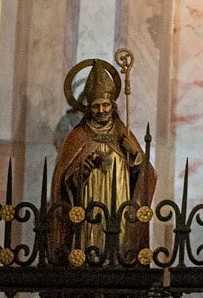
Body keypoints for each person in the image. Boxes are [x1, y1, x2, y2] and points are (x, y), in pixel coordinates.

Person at [48, 60, 156, 261]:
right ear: (88, 108)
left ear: (113, 106)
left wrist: (136, 155)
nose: (101, 110)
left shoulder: (123, 133)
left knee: (117, 246)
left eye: (105, 105)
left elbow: (145, 175)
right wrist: (82, 171)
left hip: (119, 205)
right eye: (96, 106)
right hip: (90, 206)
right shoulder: (78, 136)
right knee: (91, 244)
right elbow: (64, 184)